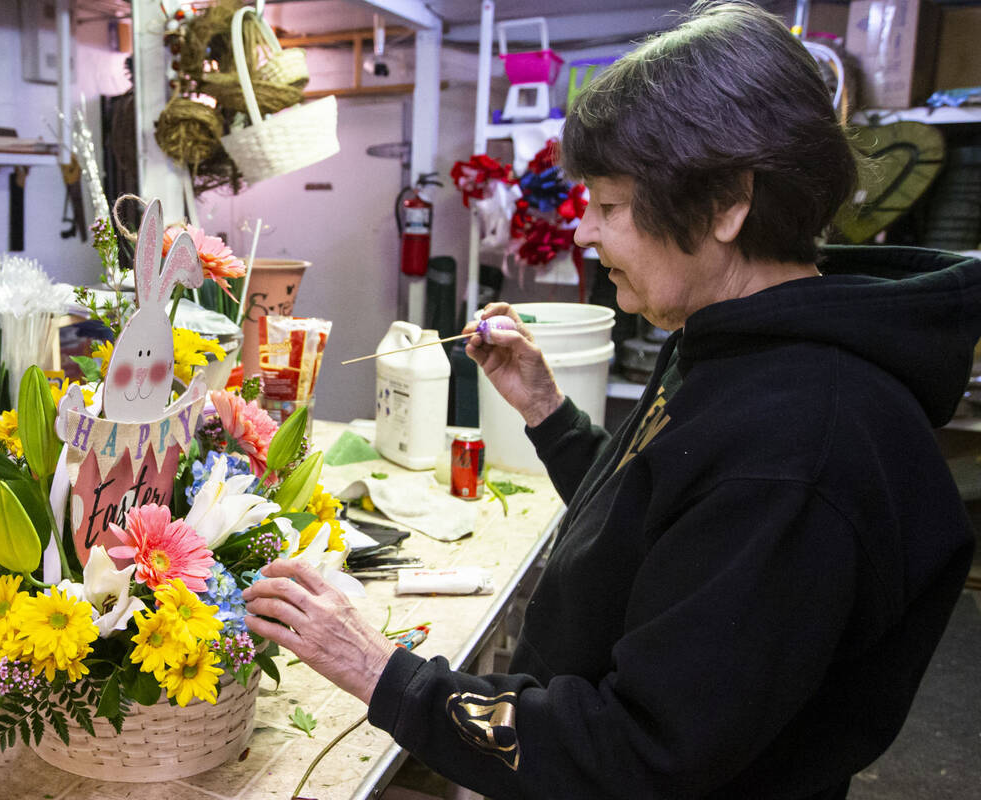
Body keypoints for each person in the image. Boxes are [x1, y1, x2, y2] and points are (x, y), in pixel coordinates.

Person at [243, 2, 981, 797]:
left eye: (610, 205)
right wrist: (548, 413)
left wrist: (382, 672)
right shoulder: (735, 342)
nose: (584, 234)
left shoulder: (800, 449)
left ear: (728, 201)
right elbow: (662, 515)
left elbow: (638, 755)